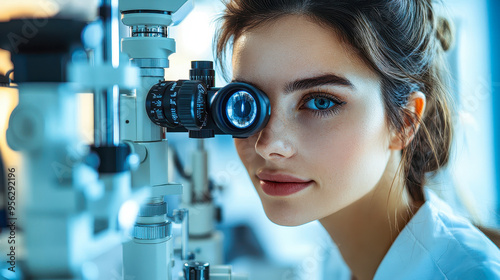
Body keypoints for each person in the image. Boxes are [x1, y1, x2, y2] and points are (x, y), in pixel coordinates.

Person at [214, 0, 500, 279]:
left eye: (320, 102)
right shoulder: (332, 261)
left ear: (405, 121)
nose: (268, 145)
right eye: (247, 103)